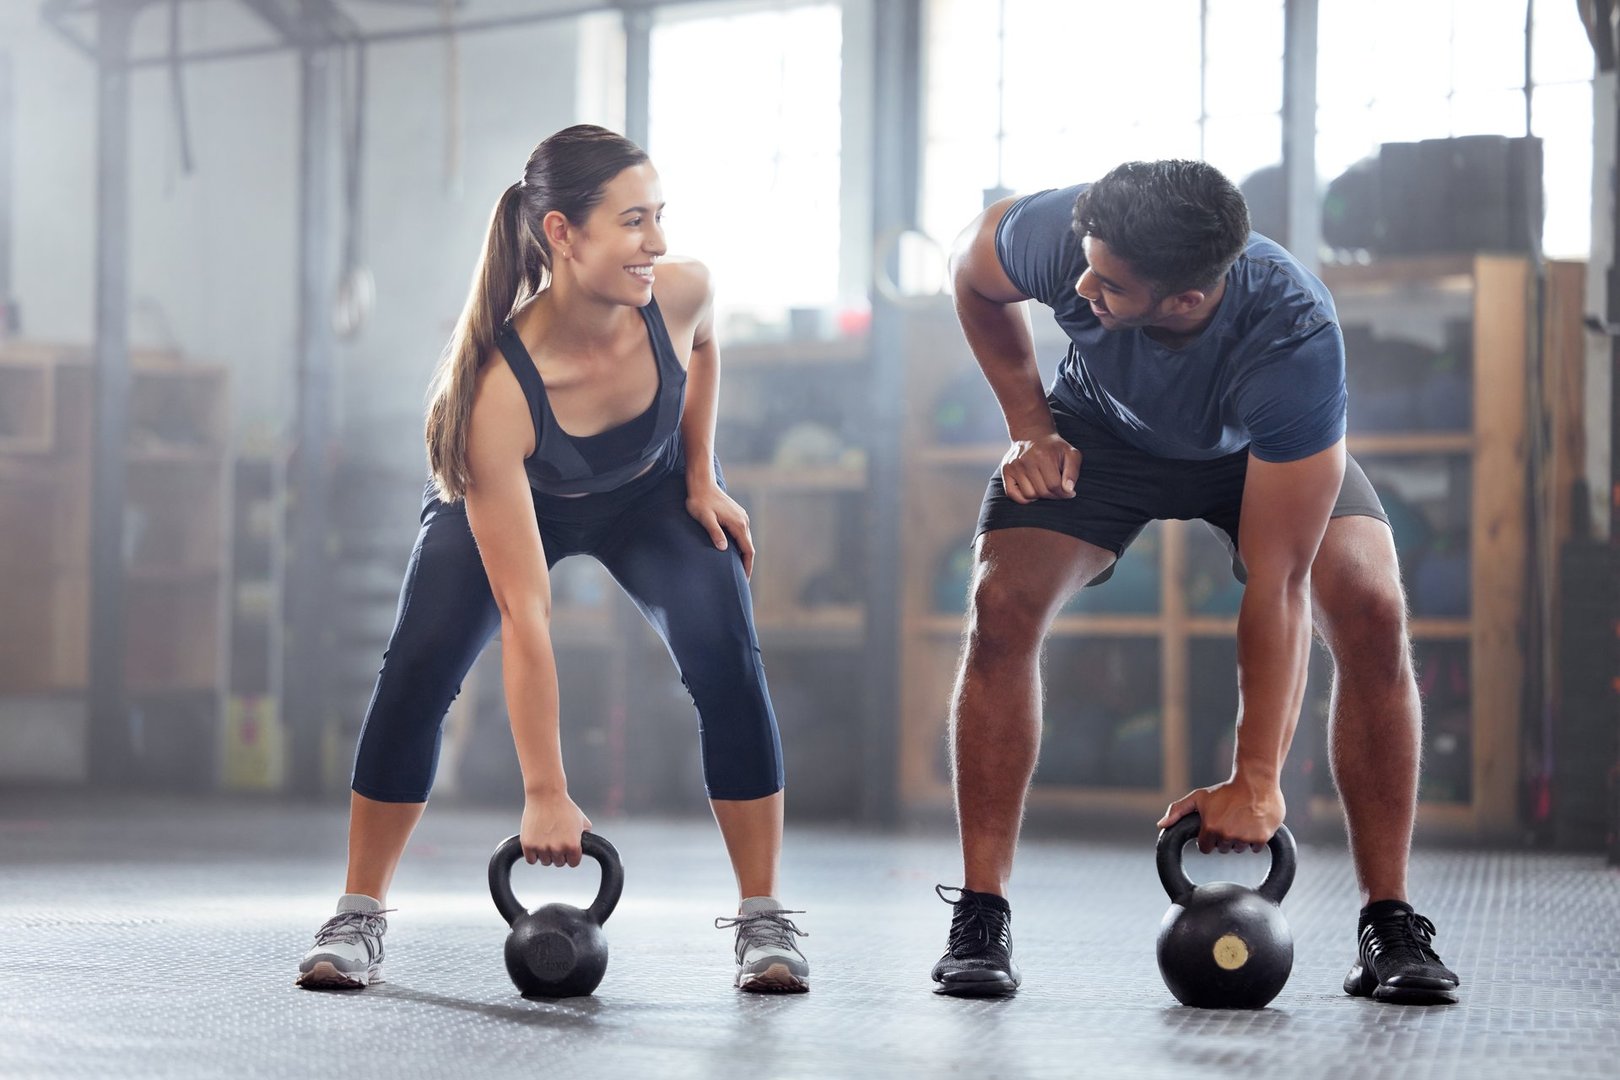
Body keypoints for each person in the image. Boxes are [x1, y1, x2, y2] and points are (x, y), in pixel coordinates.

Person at [931, 159, 1459, 1005]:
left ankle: (1389, 921)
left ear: (1184, 299)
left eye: (1107, 285)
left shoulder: (1292, 336)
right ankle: (981, 917)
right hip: (1096, 433)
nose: (1080, 288)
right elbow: (971, 271)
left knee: (1370, 606)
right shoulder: (1071, 233)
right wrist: (1029, 427)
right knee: (1001, 603)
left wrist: (1256, 778)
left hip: (1255, 454)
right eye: (1085, 265)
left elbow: (1278, 581)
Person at [295, 125, 809, 994]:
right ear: (563, 235)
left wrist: (700, 474)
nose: (659, 243)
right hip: (514, 498)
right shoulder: (498, 389)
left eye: (660, 217)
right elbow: (527, 615)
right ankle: (357, 911)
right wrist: (546, 790)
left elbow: (706, 349)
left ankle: (764, 920)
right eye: (634, 221)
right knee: (417, 670)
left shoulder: (681, 293)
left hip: (646, 496)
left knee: (727, 653)